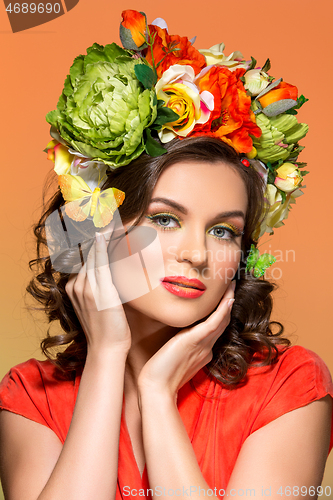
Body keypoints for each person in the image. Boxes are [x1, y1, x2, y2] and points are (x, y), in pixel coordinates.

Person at [0, 10, 332, 500]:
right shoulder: (30, 396)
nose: (198, 254)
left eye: (223, 230)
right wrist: (109, 357)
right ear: (97, 228)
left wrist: (157, 396)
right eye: (165, 219)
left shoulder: (292, 387)